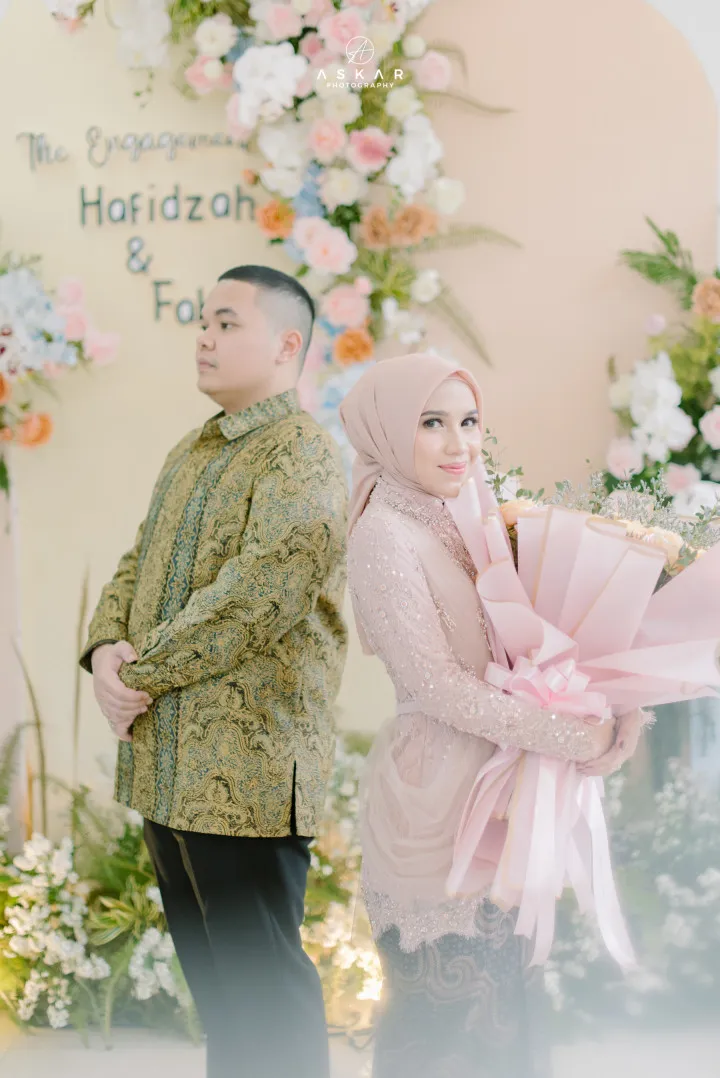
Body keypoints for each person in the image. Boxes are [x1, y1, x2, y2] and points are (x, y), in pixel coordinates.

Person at [340, 353, 645, 1078]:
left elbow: (538, 644)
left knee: (508, 1016)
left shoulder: (468, 512)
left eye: (469, 421)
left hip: (506, 788)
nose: (460, 444)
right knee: (446, 1023)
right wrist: (572, 737)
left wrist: (617, 704)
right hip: (436, 801)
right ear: (387, 430)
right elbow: (439, 686)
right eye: (432, 423)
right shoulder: (383, 532)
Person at [80, 265, 348, 1078]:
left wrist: (138, 676)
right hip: (169, 766)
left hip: (247, 778)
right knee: (223, 999)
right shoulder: (193, 449)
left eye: (227, 323)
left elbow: (253, 598)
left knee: (265, 991)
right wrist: (105, 650)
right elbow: (138, 562)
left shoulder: (302, 455)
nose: (204, 337)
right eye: (203, 322)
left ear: (287, 345)